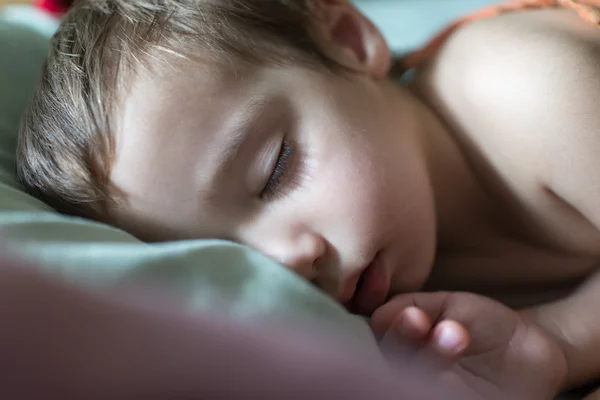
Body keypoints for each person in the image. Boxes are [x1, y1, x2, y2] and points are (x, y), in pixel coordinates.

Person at [14, 0, 600, 398]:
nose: (284, 263)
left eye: (274, 173)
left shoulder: (525, 91)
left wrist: (562, 339)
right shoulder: (395, 317)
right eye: (226, 256)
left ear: (349, 40)